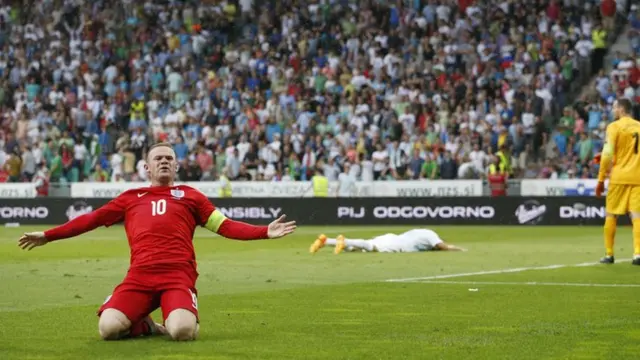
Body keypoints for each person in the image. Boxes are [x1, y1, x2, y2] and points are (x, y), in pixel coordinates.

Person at [17, 143, 297, 341]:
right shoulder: (130, 198)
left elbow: (225, 226)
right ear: (147, 167)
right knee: (108, 330)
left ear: (176, 166)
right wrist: (49, 235)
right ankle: (148, 326)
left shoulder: (191, 196)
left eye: (168, 158)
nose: (163, 161)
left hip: (177, 277)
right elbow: (90, 220)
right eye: (158, 158)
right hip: (138, 277)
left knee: (182, 332)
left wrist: (263, 231)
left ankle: (171, 318)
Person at [594, 99, 640, 265]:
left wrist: (600, 179)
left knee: (611, 214)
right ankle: (638, 254)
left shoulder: (614, 127)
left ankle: (609, 254)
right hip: (638, 178)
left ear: (621, 109)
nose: (613, 110)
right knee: (637, 216)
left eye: (614, 107)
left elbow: (608, 153)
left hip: (619, 177)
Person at [309, 229, 466, 254]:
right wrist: (460, 249)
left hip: (392, 237)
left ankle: (325, 241)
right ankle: (344, 240)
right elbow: (443, 247)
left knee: (363, 249)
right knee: (370, 247)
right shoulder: (432, 236)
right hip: (398, 245)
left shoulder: (420, 231)